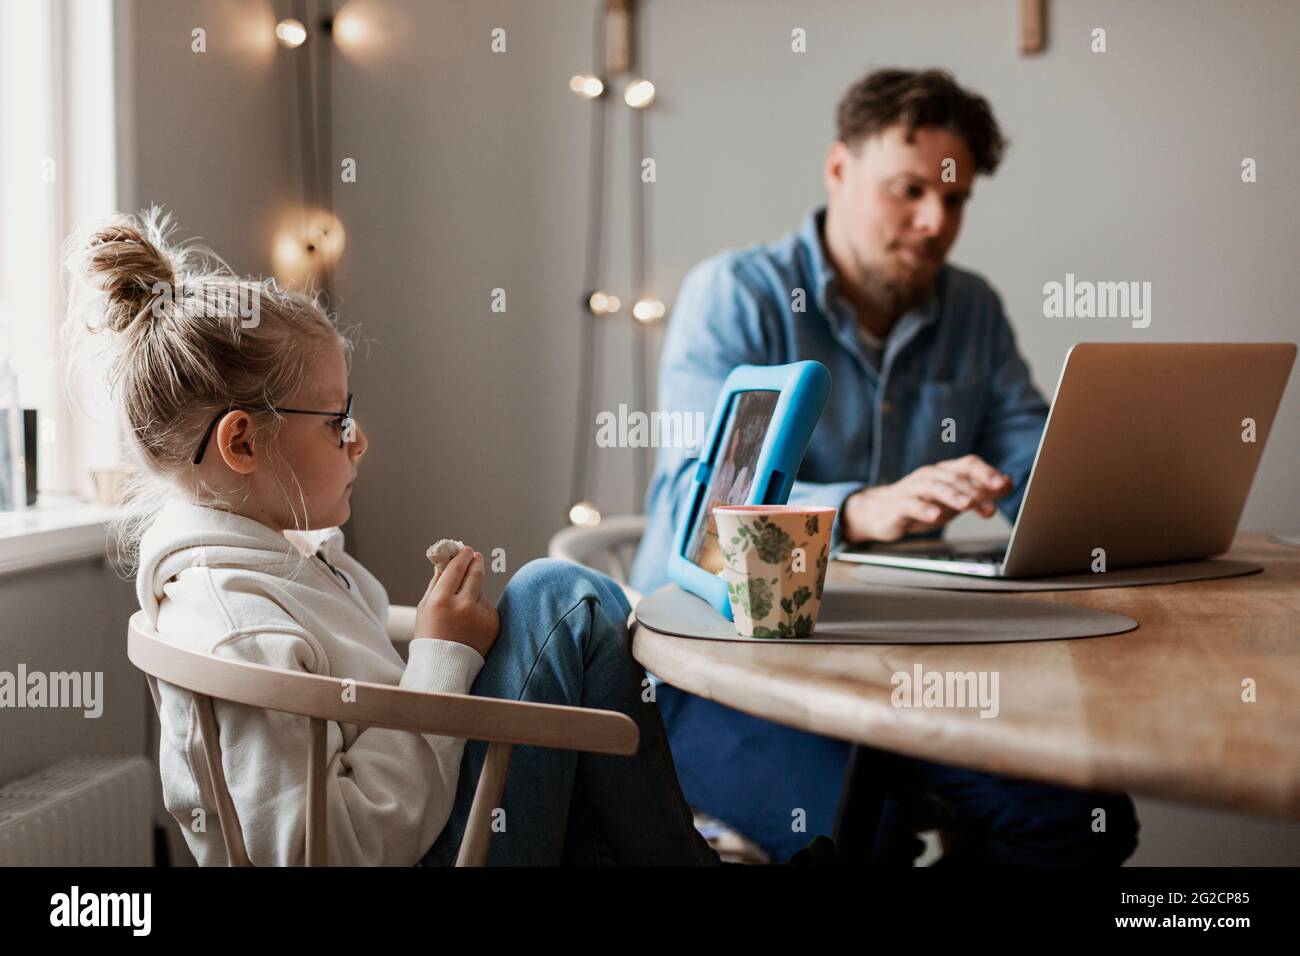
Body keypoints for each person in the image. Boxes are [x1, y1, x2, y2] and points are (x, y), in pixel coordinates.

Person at [66, 208, 719, 866]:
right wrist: (439, 658)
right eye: (335, 421)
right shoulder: (234, 623)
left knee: (559, 617)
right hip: (420, 853)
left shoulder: (270, 566)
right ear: (242, 441)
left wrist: (444, 647)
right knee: (564, 596)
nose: (359, 439)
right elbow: (318, 851)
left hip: (432, 822)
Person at [629, 68, 1139, 865]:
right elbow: (697, 513)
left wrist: (1107, 495)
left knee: (1082, 818)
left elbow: (1036, 458)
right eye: (909, 190)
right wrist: (860, 509)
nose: (935, 221)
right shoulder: (736, 296)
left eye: (957, 198)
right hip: (725, 672)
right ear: (839, 170)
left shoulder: (971, 310)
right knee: (863, 833)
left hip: (905, 668)